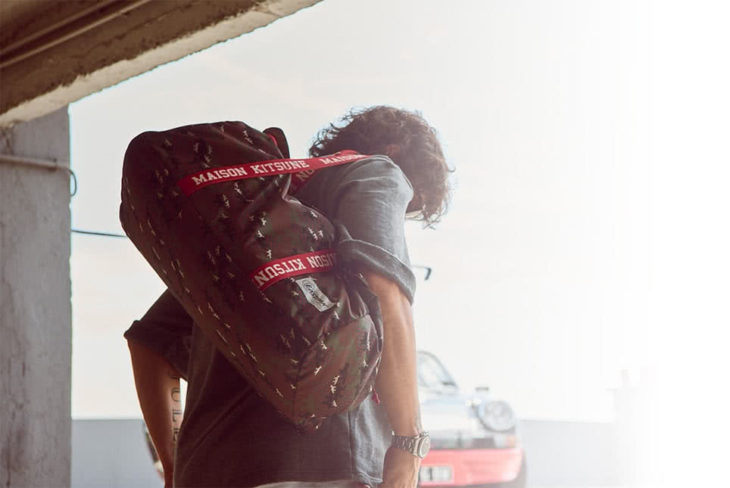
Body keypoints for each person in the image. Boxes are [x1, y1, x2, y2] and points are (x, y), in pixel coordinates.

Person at [125, 106, 451, 488]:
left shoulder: (254, 232)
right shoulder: (376, 171)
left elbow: (150, 343)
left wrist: (173, 462)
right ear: (394, 153)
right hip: (323, 469)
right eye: (408, 206)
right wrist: (410, 442)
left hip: (207, 470)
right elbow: (387, 291)